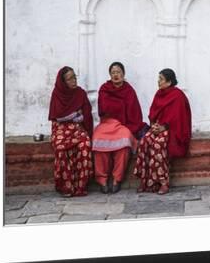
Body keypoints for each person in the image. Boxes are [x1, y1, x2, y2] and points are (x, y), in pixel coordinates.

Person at [92, 62, 149, 194]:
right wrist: (120, 105)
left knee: (124, 143)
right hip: (107, 123)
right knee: (98, 141)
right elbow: (104, 108)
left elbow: (134, 111)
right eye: (113, 73)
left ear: (123, 74)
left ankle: (117, 179)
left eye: (118, 72)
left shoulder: (129, 90)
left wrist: (117, 106)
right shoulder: (104, 88)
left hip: (124, 124)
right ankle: (103, 180)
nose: (116, 75)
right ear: (109, 75)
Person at [134, 68, 192, 195]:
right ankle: (146, 181)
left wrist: (164, 127)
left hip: (172, 129)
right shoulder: (159, 94)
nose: (158, 82)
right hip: (158, 127)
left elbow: (179, 118)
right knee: (144, 142)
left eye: (161, 79)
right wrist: (154, 125)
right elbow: (153, 112)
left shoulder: (178, 96)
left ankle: (163, 182)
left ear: (169, 82)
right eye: (158, 79)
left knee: (157, 146)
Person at [48, 66, 94, 197]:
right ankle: (66, 187)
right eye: (70, 79)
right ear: (63, 82)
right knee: (61, 148)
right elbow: (58, 117)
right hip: (61, 129)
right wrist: (74, 115)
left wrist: (77, 117)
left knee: (84, 144)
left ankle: (81, 186)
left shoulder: (80, 93)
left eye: (74, 77)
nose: (74, 81)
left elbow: (86, 114)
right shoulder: (57, 94)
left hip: (76, 128)